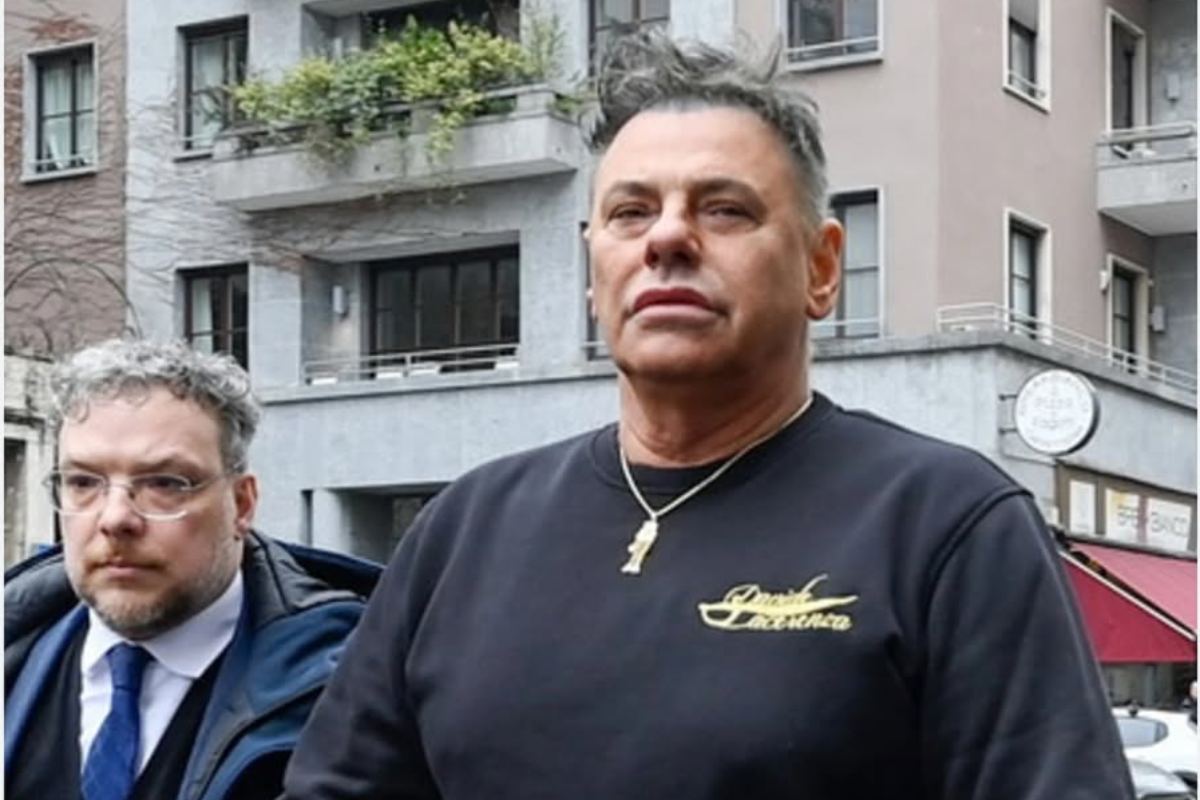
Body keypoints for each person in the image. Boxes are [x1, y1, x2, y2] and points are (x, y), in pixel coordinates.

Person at [282, 32, 1134, 799]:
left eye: (724, 209)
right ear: (592, 272)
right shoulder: (465, 531)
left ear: (822, 268)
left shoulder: (947, 525)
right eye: (631, 212)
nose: (668, 238)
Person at [5, 339, 381, 800]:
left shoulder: (353, 696)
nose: (115, 518)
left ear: (241, 504)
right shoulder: (17, 652)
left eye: (166, 483)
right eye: (83, 482)